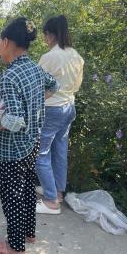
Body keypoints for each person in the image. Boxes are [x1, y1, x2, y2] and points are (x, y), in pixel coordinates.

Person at [0, 18, 58, 254]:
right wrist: (36, 104)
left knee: (13, 198)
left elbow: (16, 121)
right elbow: (55, 85)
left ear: (7, 42)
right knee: (28, 189)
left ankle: (15, 247)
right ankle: (29, 234)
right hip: (33, 142)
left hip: (13, 149)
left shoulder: (10, 76)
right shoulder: (34, 67)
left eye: (0, 41)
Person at [35, 15, 84, 215]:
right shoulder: (76, 56)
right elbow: (77, 85)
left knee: (40, 152)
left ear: (51, 35)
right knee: (59, 150)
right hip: (69, 106)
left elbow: (35, 82)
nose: (45, 39)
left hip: (52, 108)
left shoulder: (50, 57)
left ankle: (51, 199)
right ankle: (58, 191)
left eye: (45, 35)